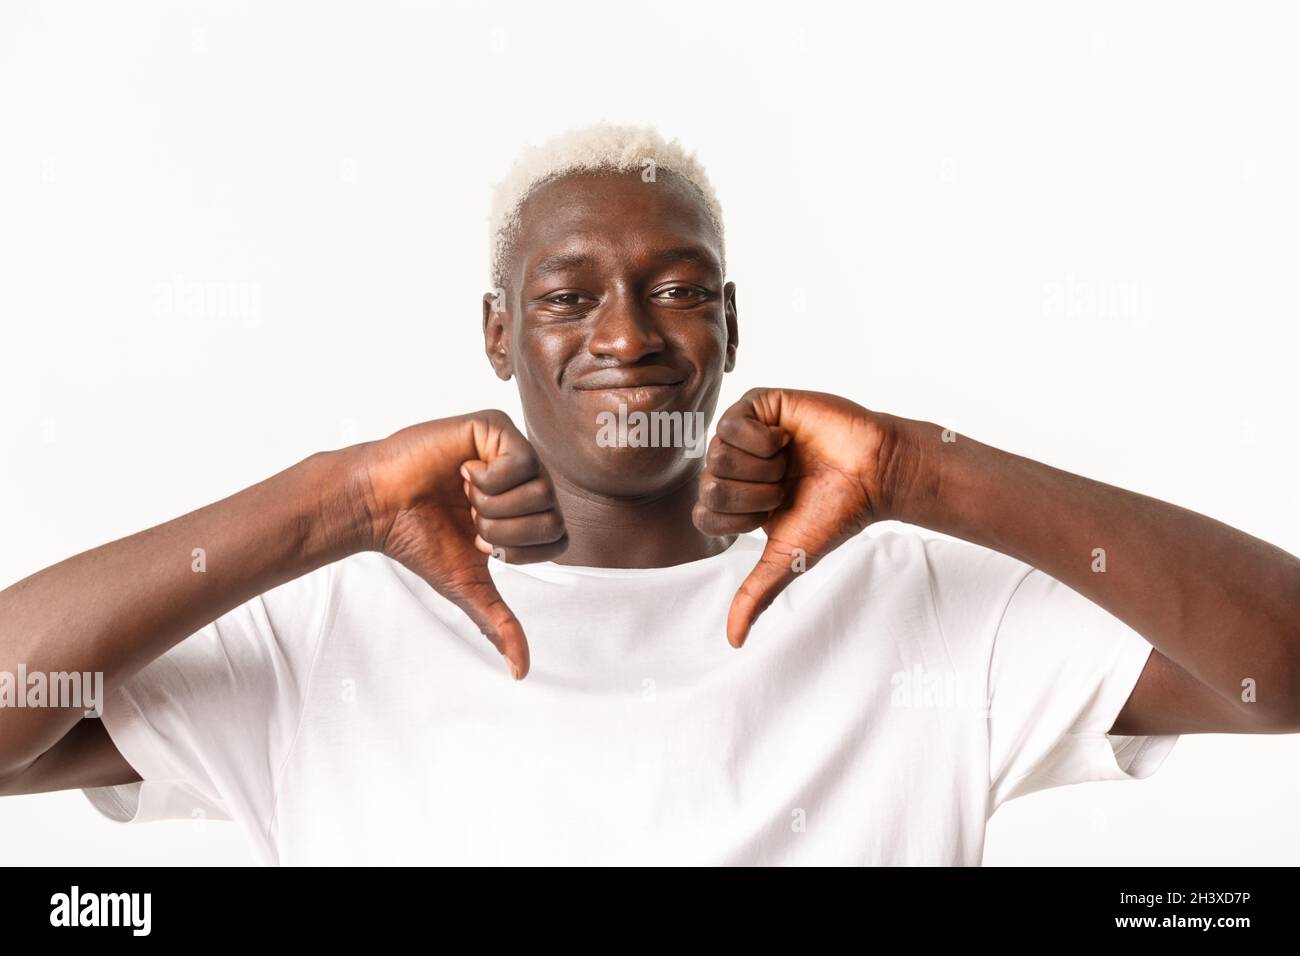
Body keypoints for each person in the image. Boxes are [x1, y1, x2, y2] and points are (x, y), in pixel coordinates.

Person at [1, 124, 1296, 865]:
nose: (625, 334)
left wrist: (921, 470)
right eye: (568, 296)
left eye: (676, 288)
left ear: (729, 324)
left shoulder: (919, 613)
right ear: (500, 337)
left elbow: (1279, 672)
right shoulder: (331, 632)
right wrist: (333, 499)